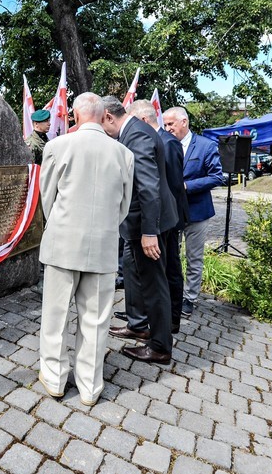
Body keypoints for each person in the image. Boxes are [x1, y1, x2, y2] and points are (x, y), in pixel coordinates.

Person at [38, 92, 134, 406]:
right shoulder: (123, 153)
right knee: (96, 319)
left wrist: (62, 226)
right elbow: (124, 205)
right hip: (104, 246)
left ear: (76, 116)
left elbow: (47, 198)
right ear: (101, 114)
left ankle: (54, 377)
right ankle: (90, 385)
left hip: (63, 243)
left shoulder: (56, 146)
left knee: (55, 315)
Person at [102, 96, 178, 365]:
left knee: (155, 285)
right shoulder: (134, 131)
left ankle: (159, 347)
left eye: (102, 125)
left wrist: (149, 232)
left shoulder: (138, 136)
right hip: (136, 224)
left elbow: (148, 187)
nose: (103, 132)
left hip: (149, 224)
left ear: (109, 117)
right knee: (136, 274)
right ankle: (139, 325)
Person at [126, 100, 190, 334]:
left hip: (167, 218)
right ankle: (151, 318)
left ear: (142, 121)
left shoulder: (167, 142)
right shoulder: (155, 139)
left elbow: (171, 186)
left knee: (170, 268)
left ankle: (171, 319)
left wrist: (156, 223)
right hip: (159, 218)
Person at [163, 106, 224, 317]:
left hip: (197, 211)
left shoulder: (206, 146)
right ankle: (173, 294)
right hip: (172, 212)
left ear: (184, 122)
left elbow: (217, 177)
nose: (167, 128)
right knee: (171, 255)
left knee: (194, 257)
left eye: (170, 124)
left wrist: (187, 186)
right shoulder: (164, 143)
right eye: (165, 124)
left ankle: (190, 298)